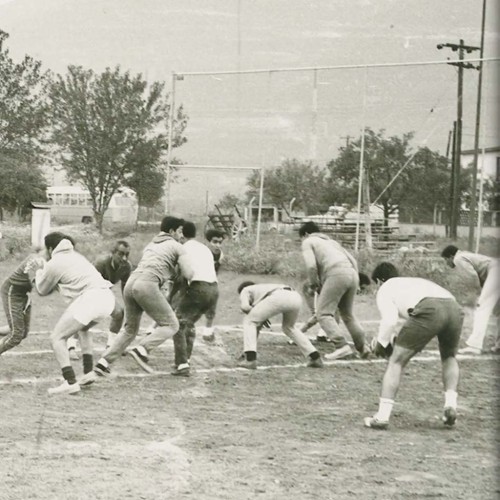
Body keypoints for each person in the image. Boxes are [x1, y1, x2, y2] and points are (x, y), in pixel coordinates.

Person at [81, 216, 193, 383]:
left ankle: (103, 363)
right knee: (172, 325)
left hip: (131, 284)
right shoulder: (177, 246)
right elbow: (188, 274)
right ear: (171, 231)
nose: (181, 236)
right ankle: (142, 349)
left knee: (129, 330)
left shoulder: (151, 245)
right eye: (179, 231)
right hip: (146, 285)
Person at [364, 262, 464, 430]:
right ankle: (451, 405)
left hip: (430, 309)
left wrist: (381, 343)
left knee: (396, 362)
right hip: (454, 307)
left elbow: (389, 321)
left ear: (380, 280)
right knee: (449, 357)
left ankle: (382, 416)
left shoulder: (386, 287)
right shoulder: (412, 282)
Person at [33, 232, 115, 395]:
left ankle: (70, 381)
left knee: (57, 337)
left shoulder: (54, 262)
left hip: (91, 298)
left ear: (50, 248)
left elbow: (42, 290)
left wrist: (38, 271)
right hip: (108, 298)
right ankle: (88, 372)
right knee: (83, 329)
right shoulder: (77, 256)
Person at [299, 221, 369, 360]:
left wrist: (313, 284)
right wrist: (355, 281)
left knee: (323, 313)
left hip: (336, 273)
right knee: (348, 315)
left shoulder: (308, 241)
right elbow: (354, 261)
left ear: (306, 234)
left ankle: (342, 347)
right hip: (352, 273)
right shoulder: (332, 243)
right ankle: (363, 347)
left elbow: (311, 266)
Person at [161, 221, 219, 376]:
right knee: (188, 323)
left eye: (180, 233)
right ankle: (186, 359)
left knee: (177, 324)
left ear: (182, 233)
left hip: (199, 288)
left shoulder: (183, 248)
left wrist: (170, 297)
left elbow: (181, 277)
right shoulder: (204, 248)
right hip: (214, 289)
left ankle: (182, 364)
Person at [67, 240, 132, 359]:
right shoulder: (101, 263)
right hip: (86, 287)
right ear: (113, 253)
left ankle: (111, 346)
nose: (124, 258)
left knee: (119, 313)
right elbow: (89, 282)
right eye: (121, 254)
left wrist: (129, 306)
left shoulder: (126, 267)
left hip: (104, 290)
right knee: (84, 315)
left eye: (127, 254)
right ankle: (70, 346)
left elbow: (125, 287)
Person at [237, 281, 323, 369]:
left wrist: (253, 313)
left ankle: (250, 360)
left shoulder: (245, 290)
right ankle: (315, 357)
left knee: (249, 321)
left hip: (279, 297)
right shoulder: (264, 288)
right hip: (295, 296)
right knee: (289, 327)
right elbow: (256, 325)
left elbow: (245, 307)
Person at [441, 245, 500, 355]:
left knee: (482, 308)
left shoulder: (458, 258)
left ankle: (475, 345)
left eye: (445, 260)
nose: (446, 263)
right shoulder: (465, 254)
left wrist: (476, 295)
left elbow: (472, 277)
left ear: (450, 257)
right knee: (498, 312)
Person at [0, 252, 45, 356]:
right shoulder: (39, 261)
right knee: (16, 335)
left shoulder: (43, 258)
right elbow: (40, 288)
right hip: (13, 292)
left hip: (23, 293)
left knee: (23, 332)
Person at [201, 229, 226, 341]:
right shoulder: (202, 252)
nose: (217, 245)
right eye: (215, 242)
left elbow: (216, 271)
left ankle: (207, 331)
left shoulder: (220, 255)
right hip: (196, 281)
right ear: (208, 241)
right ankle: (154, 327)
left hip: (210, 282)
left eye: (220, 242)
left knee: (212, 306)